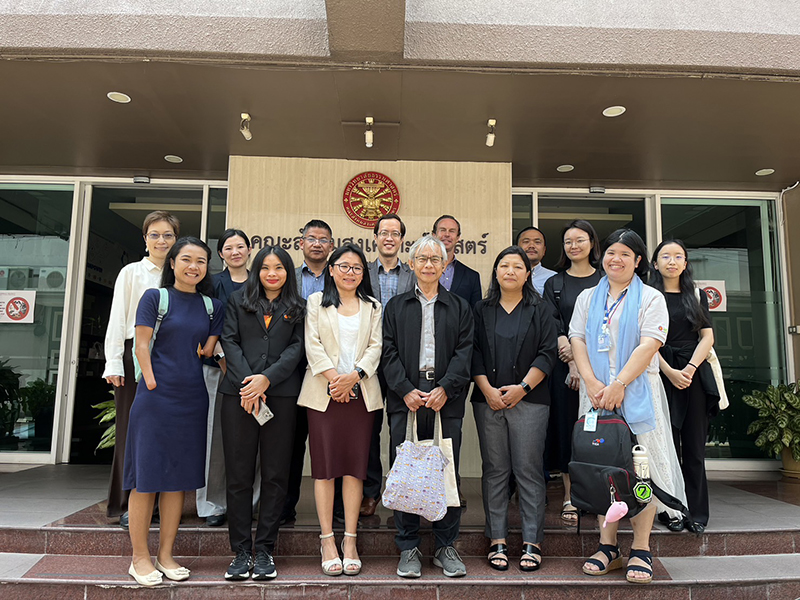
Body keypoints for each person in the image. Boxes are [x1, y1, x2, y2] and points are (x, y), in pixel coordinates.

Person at [569, 229, 687, 585]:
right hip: (595, 395)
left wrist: (619, 383)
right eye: (610, 253)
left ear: (638, 261)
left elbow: (650, 343)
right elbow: (577, 338)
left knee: (640, 470)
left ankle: (640, 547)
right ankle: (608, 546)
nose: (614, 259)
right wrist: (592, 383)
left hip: (636, 392)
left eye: (624, 254)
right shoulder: (589, 297)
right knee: (603, 468)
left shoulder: (651, 297)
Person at [123, 237, 224, 586]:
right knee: (146, 479)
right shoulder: (155, 297)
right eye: (186, 259)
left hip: (193, 399)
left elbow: (206, 350)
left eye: (200, 261)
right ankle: (140, 558)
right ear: (173, 263)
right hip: (155, 399)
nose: (193, 266)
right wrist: (151, 383)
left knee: (177, 482)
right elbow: (141, 345)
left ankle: (165, 555)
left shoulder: (212, 306)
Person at [382, 235, 474, 579]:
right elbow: (387, 352)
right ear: (412, 264)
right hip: (405, 397)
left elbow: (466, 352)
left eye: (436, 259)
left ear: (445, 264)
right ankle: (408, 547)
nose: (429, 265)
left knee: (445, 471)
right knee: (403, 470)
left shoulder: (460, 306)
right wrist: (405, 389)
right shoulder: (396, 306)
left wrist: (446, 388)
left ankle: (446, 546)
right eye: (422, 259)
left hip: (444, 398)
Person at [219, 245, 306, 580]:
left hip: (281, 397)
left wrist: (266, 380)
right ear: (257, 270)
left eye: (279, 268)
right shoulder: (238, 300)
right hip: (238, 396)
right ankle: (241, 551)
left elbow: (297, 348)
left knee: (275, 475)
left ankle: (266, 549)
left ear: (288, 272)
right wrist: (249, 384)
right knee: (239, 475)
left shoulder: (297, 307)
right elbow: (230, 341)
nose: (272, 273)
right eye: (266, 268)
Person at [297, 243, 383, 577]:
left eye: (357, 268)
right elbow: (312, 344)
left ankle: (350, 540)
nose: (350, 273)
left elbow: (377, 347)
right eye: (343, 266)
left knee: (354, 469)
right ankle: (327, 540)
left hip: (360, 395)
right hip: (323, 395)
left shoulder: (373, 306)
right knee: (325, 469)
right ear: (331, 270)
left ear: (364, 273)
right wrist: (336, 381)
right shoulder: (316, 302)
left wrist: (354, 377)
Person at [472, 246, 557, 572]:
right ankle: (497, 540)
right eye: (504, 265)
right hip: (488, 400)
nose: (510, 271)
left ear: (527, 273)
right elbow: (473, 352)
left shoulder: (541, 309)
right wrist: (488, 390)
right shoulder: (481, 309)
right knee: (495, 471)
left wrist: (521, 389)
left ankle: (532, 542)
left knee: (528, 471)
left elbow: (547, 354)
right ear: (496, 272)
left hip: (531, 401)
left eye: (517, 266)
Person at [102, 210, 179, 528]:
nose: (161, 240)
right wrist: (113, 360)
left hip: (172, 358)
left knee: (166, 432)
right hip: (135, 355)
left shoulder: (180, 273)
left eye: (168, 235)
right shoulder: (132, 273)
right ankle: (125, 502)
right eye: (155, 234)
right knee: (131, 432)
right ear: (145, 238)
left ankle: (161, 502)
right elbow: (118, 317)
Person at [651, 239, 718, 534]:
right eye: (666, 256)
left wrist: (688, 369)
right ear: (655, 263)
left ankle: (698, 513)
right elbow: (643, 339)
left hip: (693, 375)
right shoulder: (648, 295)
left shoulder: (695, 294)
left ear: (686, 263)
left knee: (693, 448)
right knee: (664, 447)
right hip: (658, 371)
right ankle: (670, 509)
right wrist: (669, 371)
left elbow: (707, 337)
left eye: (679, 256)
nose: (672, 261)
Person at [542, 219, 603, 525]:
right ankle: (570, 496)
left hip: (604, 369)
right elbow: (552, 323)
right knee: (569, 430)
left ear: (592, 243)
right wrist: (571, 361)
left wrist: (583, 362)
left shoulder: (608, 279)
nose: (574, 246)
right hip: (564, 370)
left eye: (580, 240)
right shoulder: (555, 283)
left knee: (602, 432)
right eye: (568, 241)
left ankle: (602, 494)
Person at [361, 213, 416, 517]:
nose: (389, 238)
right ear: (376, 237)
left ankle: (398, 489)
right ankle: (371, 491)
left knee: (399, 430)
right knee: (369, 428)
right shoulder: (362, 271)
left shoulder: (412, 274)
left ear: (401, 240)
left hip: (399, 361)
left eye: (395, 233)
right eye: (384, 232)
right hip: (366, 359)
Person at [197, 228, 253, 527]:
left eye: (240, 246)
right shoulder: (212, 283)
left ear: (249, 250)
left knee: (255, 439)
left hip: (255, 374)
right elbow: (207, 324)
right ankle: (212, 504)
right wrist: (222, 358)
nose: (235, 252)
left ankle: (250, 501)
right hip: (217, 370)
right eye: (229, 247)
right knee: (215, 439)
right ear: (221, 254)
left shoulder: (260, 282)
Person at [282, 219, 335, 525]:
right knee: (290, 442)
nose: (317, 243)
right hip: (292, 370)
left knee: (332, 442)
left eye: (323, 239)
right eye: (311, 238)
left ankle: (337, 508)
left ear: (331, 245)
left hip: (329, 373)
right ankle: (285, 505)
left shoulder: (339, 276)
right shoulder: (288, 277)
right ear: (300, 242)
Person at [433, 214, 482, 306]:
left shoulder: (472, 277)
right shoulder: (420, 271)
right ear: (434, 235)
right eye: (442, 230)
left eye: (452, 231)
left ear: (458, 238)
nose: (447, 234)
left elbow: (475, 315)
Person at [516, 226, 556, 295]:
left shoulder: (553, 278)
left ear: (544, 250)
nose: (531, 246)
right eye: (526, 242)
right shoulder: (508, 275)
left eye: (537, 242)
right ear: (517, 248)